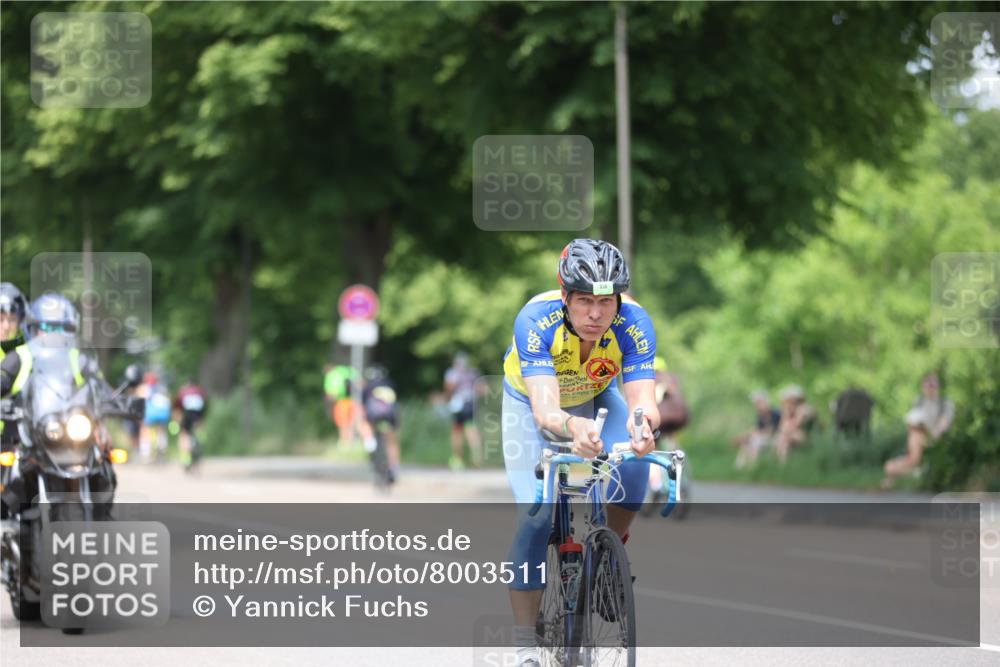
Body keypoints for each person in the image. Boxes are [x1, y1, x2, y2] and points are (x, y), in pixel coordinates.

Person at [501, 239, 660, 667]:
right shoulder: (536, 319)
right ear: (566, 297)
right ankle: (523, 649)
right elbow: (546, 409)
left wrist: (643, 426)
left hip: (596, 392)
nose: (596, 314)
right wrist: (573, 427)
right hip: (533, 405)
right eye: (585, 301)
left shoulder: (634, 322)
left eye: (606, 302)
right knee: (536, 511)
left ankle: (610, 557)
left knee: (637, 464)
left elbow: (644, 396)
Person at [882, 371, 954, 489]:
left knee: (914, 442)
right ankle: (912, 469)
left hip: (938, 438)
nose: (930, 388)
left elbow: (944, 423)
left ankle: (906, 470)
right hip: (920, 436)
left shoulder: (945, 403)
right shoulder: (919, 402)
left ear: (938, 386)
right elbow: (912, 420)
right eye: (928, 385)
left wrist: (934, 435)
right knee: (915, 435)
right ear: (923, 387)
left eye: (933, 385)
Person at [0, 283, 28, 519]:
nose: (6, 326)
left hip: (22, 438)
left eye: (11, 319)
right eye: (0, 319)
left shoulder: (30, 352)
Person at [648, 356, 688, 495]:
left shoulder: (650, 379)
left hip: (662, 418)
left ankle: (656, 484)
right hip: (681, 417)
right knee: (671, 437)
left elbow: (656, 399)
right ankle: (677, 454)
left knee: (652, 449)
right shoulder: (672, 378)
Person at [357, 365, 401, 485]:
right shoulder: (389, 384)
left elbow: (363, 407)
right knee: (392, 441)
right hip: (390, 415)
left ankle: (370, 444)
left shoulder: (368, 387)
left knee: (364, 425)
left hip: (373, 415)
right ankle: (394, 467)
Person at [443, 352, 483, 469]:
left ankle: (457, 459)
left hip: (458, 405)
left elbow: (449, 388)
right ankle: (477, 457)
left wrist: (447, 398)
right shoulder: (473, 373)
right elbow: (481, 389)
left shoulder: (452, 373)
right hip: (471, 404)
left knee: (457, 432)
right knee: (471, 430)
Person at [734, 390, 781, 469]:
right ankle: (739, 468)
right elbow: (757, 429)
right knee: (745, 444)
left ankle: (753, 467)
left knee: (755, 442)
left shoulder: (775, 413)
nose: (757, 405)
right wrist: (746, 436)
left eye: (759, 403)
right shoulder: (760, 416)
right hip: (764, 438)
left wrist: (754, 435)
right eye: (756, 403)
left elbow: (771, 431)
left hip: (776, 438)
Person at [774, 384, 816, 465]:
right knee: (782, 439)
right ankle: (783, 466)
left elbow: (795, 426)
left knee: (783, 438)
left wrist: (786, 417)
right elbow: (781, 428)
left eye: (789, 401)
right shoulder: (790, 412)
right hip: (795, 436)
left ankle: (783, 467)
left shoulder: (805, 409)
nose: (786, 404)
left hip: (809, 438)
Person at [174, 378, 208, 471]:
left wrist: (177, 420)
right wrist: (202, 418)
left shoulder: (183, 392)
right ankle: (200, 442)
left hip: (187, 415)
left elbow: (178, 407)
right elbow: (206, 405)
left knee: (184, 435)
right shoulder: (200, 392)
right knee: (199, 429)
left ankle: (186, 460)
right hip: (198, 415)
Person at [137, 371, 171, 461]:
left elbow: (138, 402)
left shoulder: (143, 388)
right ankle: (162, 447)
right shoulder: (162, 388)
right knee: (161, 430)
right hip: (163, 415)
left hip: (150, 415)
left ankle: (146, 453)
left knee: (144, 429)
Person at [324, 363, 358, 446]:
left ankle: (344, 441)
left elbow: (331, 392)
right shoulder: (343, 370)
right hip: (353, 400)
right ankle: (351, 441)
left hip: (341, 401)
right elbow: (356, 375)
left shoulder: (331, 376)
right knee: (351, 422)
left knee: (342, 423)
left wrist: (329, 398)